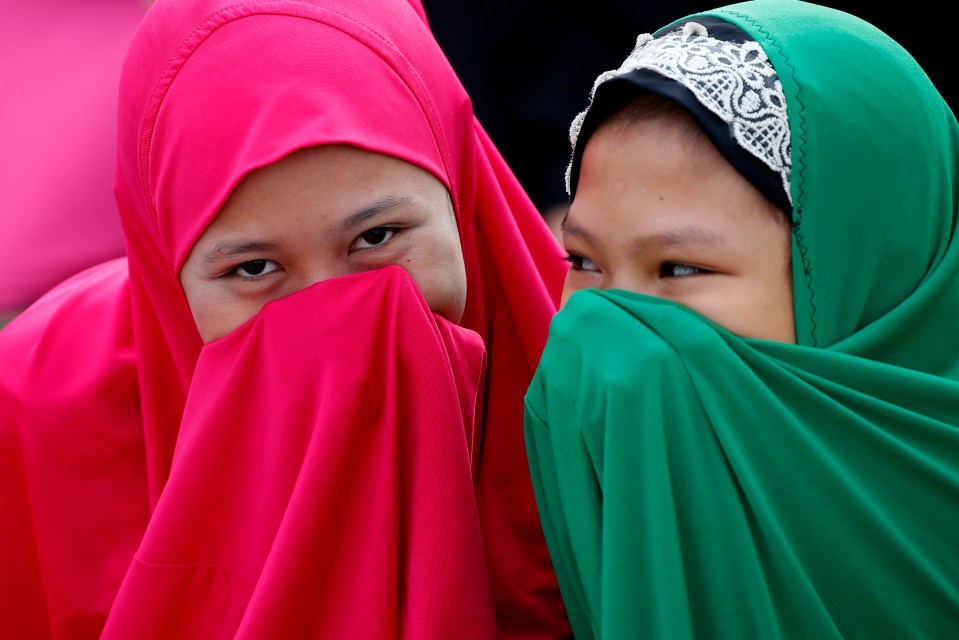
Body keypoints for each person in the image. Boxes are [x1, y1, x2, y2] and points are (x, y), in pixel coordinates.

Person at [0, 0, 572, 637]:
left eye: (378, 236)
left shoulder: (595, 411)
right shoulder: (37, 412)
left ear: (461, 194)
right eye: (252, 269)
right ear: (167, 269)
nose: (337, 318)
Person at [524, 0, 959, 637]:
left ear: (863, 278)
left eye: (677, 269)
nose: (605, 324)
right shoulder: (531, 545)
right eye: (583, 261)